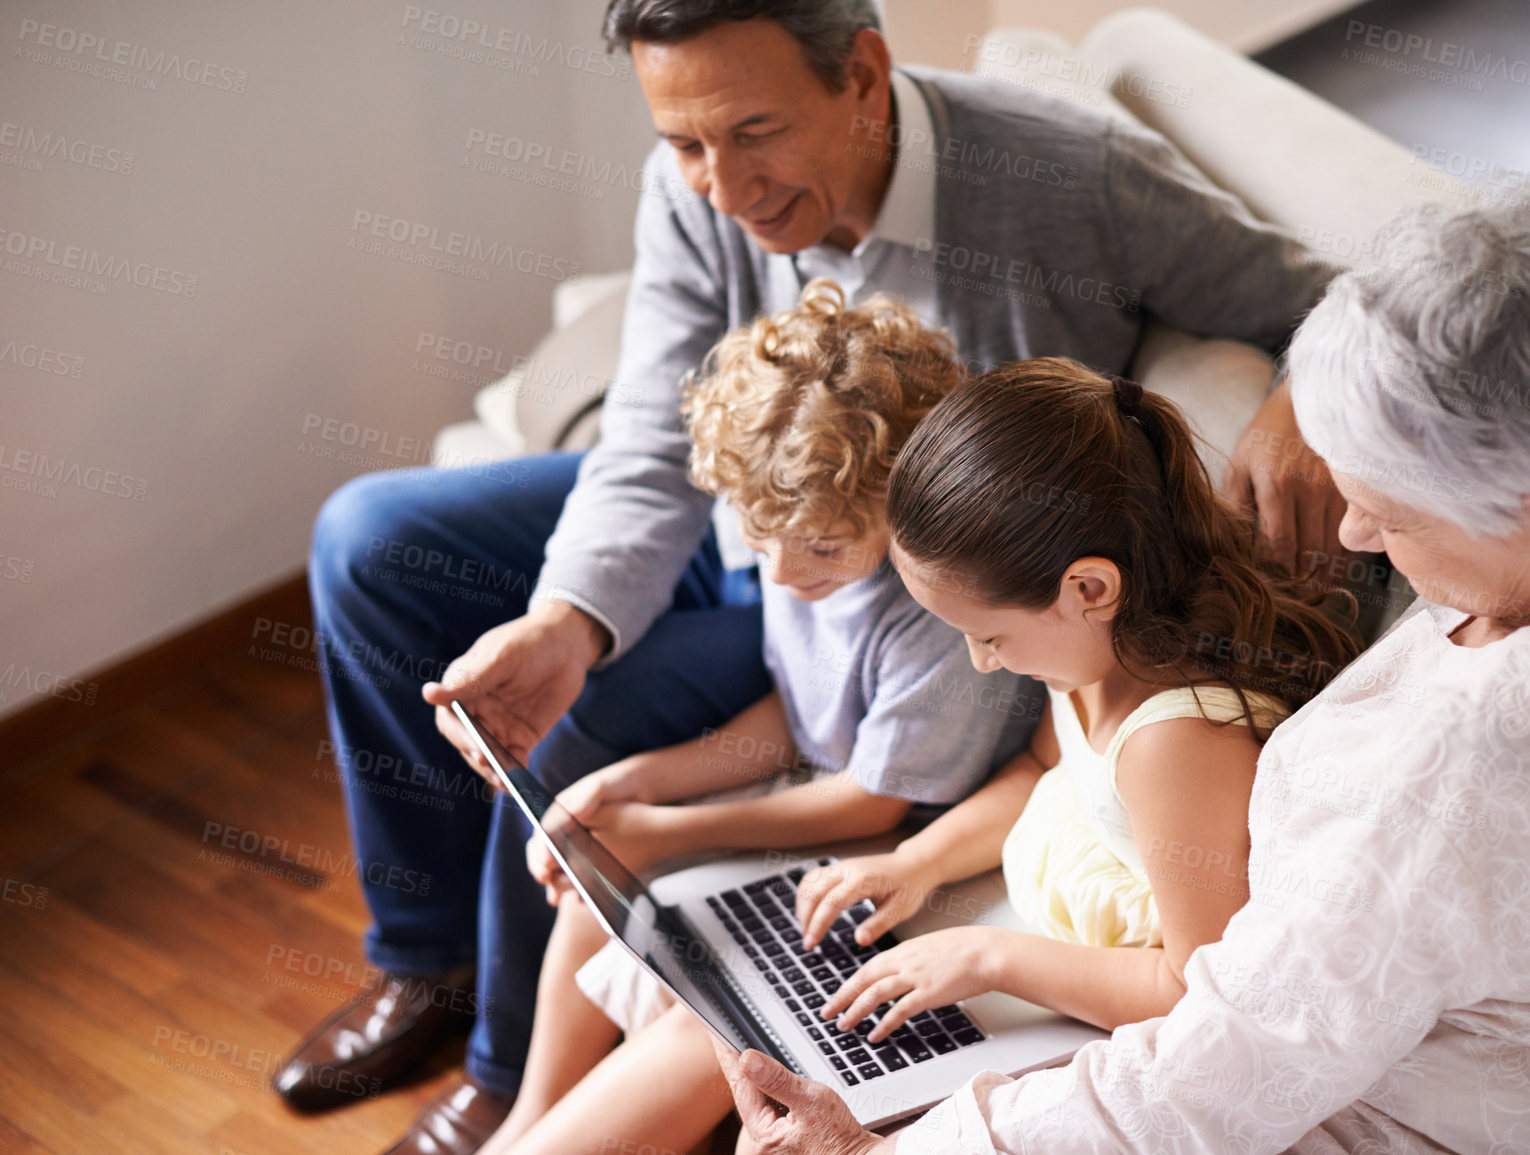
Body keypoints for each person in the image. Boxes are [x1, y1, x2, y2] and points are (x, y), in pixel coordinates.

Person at [281, 0, 1347, 1147]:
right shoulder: (691, 191)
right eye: (684, 144)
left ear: (866, 79)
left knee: (577, 742)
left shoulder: (1064, 176)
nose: (722, 191)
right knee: (369, 541)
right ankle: (423, 960)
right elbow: (647, 437)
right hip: (745, 520)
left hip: (893, 585)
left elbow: (1314, 293)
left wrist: (1299, 399)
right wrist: (569, 617)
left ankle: (501, 1074)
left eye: (753, 133)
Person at [713, 196, 1530, 1153]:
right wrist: (1323, 384)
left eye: (1392, 511)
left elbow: (1209, 1073)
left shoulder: (1439, 794)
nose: (1351, 530)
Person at [477, 279, 1039, 1154]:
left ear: (904, 497)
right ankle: (526, 1115)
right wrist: (641, 782)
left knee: (650, 879)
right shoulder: (804, 547)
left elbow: (871, 802)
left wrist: (661, 830)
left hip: (904, 842)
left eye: (817, 547)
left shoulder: (934, 615)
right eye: (757, 535)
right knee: (596, 874)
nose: (778, 574)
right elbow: (800, 710)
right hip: (825, 795)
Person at [785, 359, 1359, 1054]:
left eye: (988, 634)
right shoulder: (1095, 646)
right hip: (1049, 947)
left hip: (1117, 1009)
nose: (981, 660)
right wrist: (918, 861)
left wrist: (986, 958)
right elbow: (1037, 769)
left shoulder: (1174, 740)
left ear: (1088, 587)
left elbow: (1198, 987)